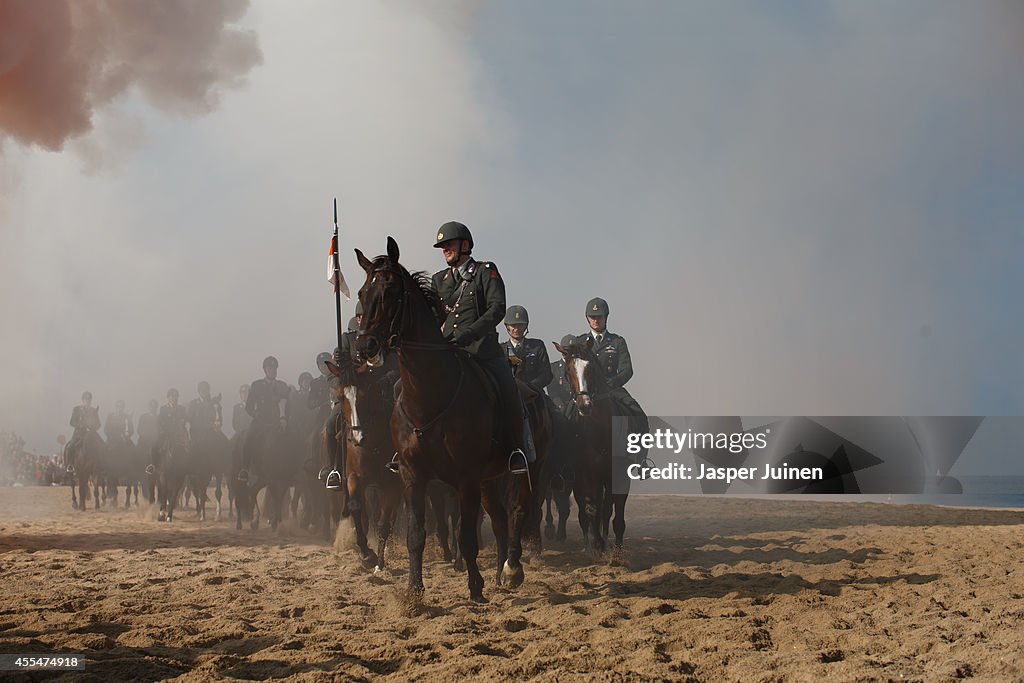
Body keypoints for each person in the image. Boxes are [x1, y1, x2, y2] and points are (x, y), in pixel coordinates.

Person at [426, 220, 534, 475]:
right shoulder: (438, 280)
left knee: (509, 389)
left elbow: (496, 308)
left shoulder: (486, 271)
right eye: (442, 246)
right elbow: (434, 318)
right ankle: (409, 452)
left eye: (449, 244)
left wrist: (469, 334)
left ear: (465, 245)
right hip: (449, 354)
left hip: (481, 351)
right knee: (405, 387)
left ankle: (516, 450)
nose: (445, 250)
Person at [574, 297, 647, 424]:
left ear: (606, 317)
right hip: (586, 392)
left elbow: (627, 370)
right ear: (588, 318)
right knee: (564, 418)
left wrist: (611, 384)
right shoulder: (579, 342)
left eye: (599, 317)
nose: (596, 320)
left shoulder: (617, 341)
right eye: (592, 317)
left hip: (612, 390)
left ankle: (637, 443)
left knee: (639, 415)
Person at [238, 356, 290, 483]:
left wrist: (284, 418)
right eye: (269, 368)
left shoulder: (282, 385)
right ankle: (244, 469)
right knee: (248, 440)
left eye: (274, 368)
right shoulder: (256, 385)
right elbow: (249, 406)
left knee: (293, 440)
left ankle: (292, 469)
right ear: (265, 370)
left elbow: (288, 404)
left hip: (278, 421)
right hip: (260, 421)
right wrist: (256, 415)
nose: (272, 370)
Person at [500, 305, 553, 393]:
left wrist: (530, 387)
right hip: (509, 394)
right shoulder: (501, 350)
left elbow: (547, 374)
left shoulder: (537, 346)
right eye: (513, 325)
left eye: (520, 325)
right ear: (507, 326)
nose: (516, 329)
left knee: (553, 407)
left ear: (526, 326)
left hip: (534, 393)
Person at [149, 388, 189, 475]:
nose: (174, 398)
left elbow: (184, 419)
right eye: (172, 396)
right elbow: (161, 422)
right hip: (166, 434)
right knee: (154, 447)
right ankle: (153, 465)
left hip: (179, 434)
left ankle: (189, 468)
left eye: (176, 396)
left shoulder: (181, 409)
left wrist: (183, 421)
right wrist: (164, 431)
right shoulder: (163, 409)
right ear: (168, 398)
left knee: (189, 446)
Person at [67, 391, 101, 473]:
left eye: (89, 400)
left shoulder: (93, 411)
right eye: (86, 399)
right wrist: (79, 425)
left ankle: (101, 465)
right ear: (82, 400)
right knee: (70, 447)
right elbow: (71, 422)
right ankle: (70, 465)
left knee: (102, 445)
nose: (87, 401)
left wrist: (93, 427)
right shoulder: (77, 409)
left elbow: (98, 424)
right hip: (78, 434)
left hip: (90, 435)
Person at [546, 334, 577, 412]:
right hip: (561, 408)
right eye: (567, 350)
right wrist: (561, 406)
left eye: (572, 350)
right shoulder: (553, 368)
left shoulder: (581, 367)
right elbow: (552, 393)